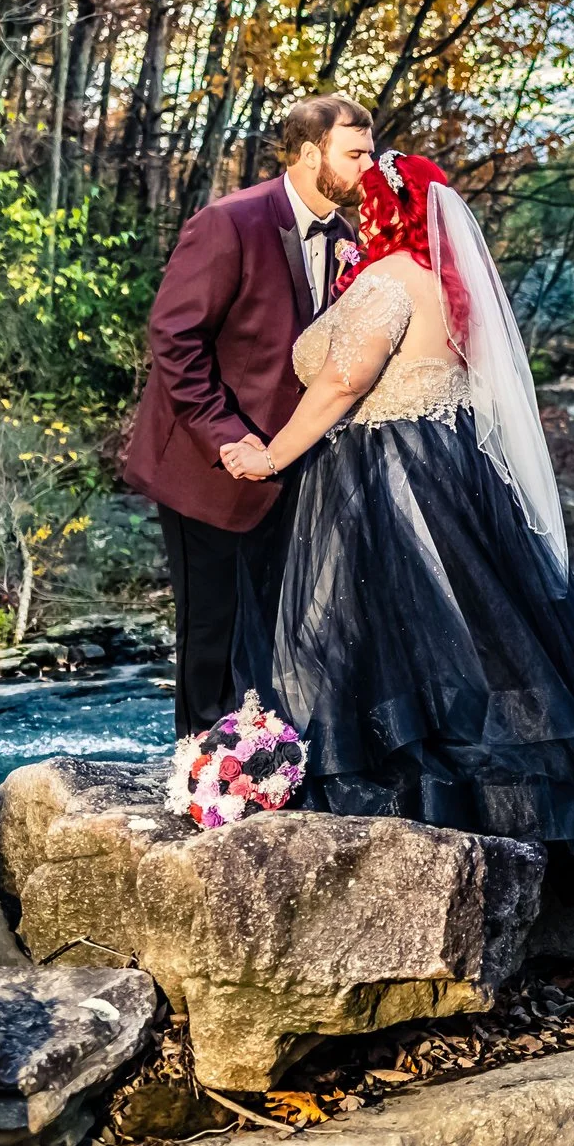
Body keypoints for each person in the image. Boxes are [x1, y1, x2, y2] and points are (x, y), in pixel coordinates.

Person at [219, 150, 574, 894]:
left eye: (372, 203)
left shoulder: (389, 284)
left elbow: (344, 383)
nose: (363, 214)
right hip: (449, 471)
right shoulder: (446, 287)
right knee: (475, 642)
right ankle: (532, 827)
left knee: (381, 643)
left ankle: (412, 825)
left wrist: (273, 455)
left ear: (392, 209)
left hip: (382, 479)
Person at [122, 97, 375, 736]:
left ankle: (261, 760)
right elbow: (174, 338)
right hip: (207, 466)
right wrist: (228, 437)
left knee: (270, 624)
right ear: (310, 153)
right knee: (211, 627)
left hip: (291, 466)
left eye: (370, 153)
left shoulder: (348, 240)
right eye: (356, 154)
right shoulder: (229, 223)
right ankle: (204, 776)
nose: (368, 168)